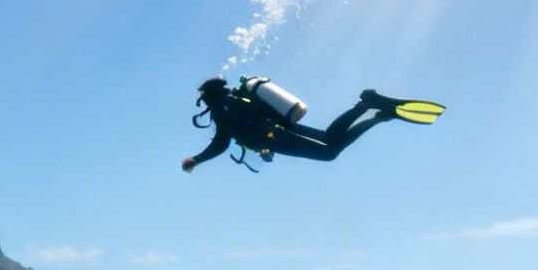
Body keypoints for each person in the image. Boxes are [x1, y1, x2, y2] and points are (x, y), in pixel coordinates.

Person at [181, 77, 443, 172]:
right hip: (282, 127)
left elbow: (221, 143)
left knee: (329, 152)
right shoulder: (237, 98)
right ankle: (368, 104)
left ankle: (375, 113)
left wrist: (197, 159)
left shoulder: (222, 109)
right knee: (331, 137)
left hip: (274, 136)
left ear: (207, 96)